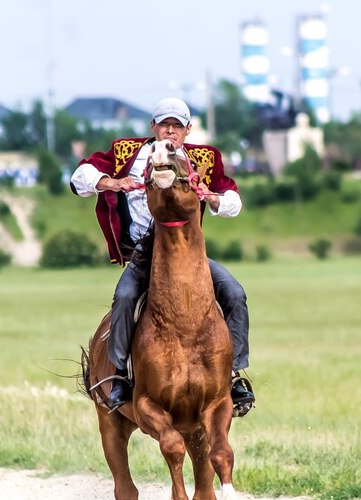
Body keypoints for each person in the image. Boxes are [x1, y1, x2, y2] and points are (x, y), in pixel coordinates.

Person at [70, 97, 255, 414]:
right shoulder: (125, 152)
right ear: (152, 126)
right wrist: (111, 182)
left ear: (187, 130)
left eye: (177, 126)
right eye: (164, 124)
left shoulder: (204, 158)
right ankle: (118, 377)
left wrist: (211, 196)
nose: (170, 131)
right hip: (146, 254)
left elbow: (233, 201)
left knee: (235, 293)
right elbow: (79, 177)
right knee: (125, 296)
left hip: (188, 253)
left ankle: (233, 376)